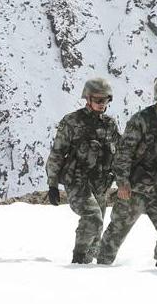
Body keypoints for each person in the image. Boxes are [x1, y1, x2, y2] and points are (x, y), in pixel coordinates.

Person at [96, 75, 157, 267]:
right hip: (135, 190)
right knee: (116, 232)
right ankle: (100, 268)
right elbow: (123, 153)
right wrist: (122, 183)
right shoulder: (141, 120)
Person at [46, 77, 121, 264]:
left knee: (96, 233)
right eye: (98, 100)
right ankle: (78, 260)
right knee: (93, 217)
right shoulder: (72, 121)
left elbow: (120, 154)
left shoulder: (110, 124)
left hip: (101, 184)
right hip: (77, 182)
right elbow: (57, 153)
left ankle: (86, 269)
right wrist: (52, 185)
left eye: (106, 100)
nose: (102, 104)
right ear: (87, 99)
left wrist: (124, 181)